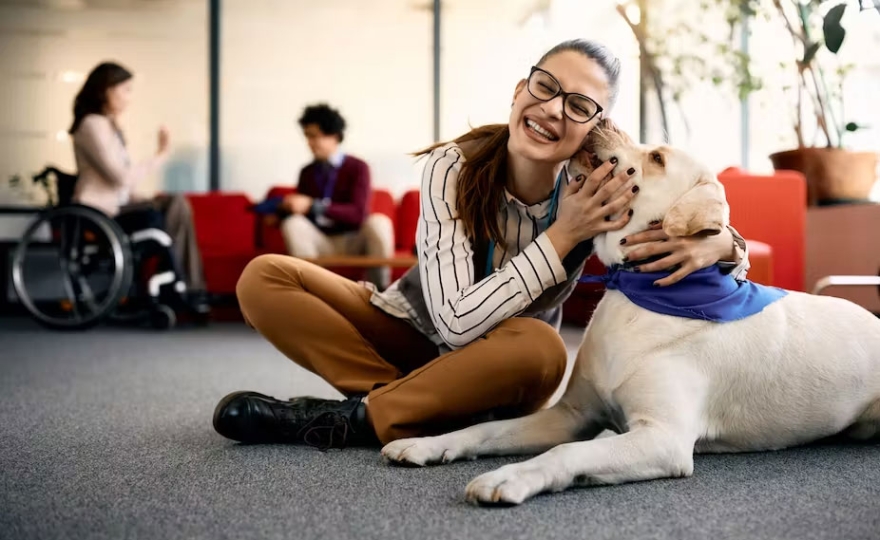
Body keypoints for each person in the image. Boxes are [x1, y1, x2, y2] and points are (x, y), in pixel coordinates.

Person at [212, 39, 750, 450]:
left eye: (579, 105)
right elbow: (452, 324)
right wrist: (564, 233)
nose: (553, 109)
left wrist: (723, 244)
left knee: (541, 349)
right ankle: (406, 406)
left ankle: (361, 417)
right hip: (411, 329)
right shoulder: (454, 164)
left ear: (594, 127)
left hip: (505, 363)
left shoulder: (601, 184)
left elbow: (682, 206)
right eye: (544, 87)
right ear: (520, 92)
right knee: (265, 276)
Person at [68, 61, 209, 314]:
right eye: (125, 90)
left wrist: (141, 196)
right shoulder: (92, 125)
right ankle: (180, 287)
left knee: (176, 205)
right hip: (100, 213)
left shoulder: (109, 126)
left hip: (117, 206)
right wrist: (161, 155)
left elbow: (120, 186)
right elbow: (119, 178)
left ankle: (180, 285)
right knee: (174, 207)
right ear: (106, 90)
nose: (129, 98)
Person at [277, 103, 393, 290]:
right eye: (307, 136)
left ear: (335, 136)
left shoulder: (358, 168)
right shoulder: (307, 172)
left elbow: (358, 214)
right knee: (292, 224)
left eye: (315, 136)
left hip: (353, 239)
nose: (310, 142)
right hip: (321, 240)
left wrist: (313, 205)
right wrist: (283, 211)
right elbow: (302, 216)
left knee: (379, 222)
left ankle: (382, 292)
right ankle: (311, 291)